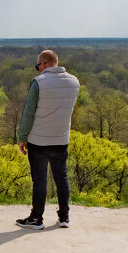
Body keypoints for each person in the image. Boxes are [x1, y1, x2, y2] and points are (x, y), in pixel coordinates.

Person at [15, 50, 80, 230]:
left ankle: (36, 219)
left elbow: (29, 113)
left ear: (44, 64)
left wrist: (22, 137)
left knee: (40, 180)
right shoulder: (74, 82)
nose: (38, 70)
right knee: (62, 177)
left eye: (38, 66)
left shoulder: (39, 83)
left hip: (39, 139)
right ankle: (64, 217)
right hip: (61, 138)